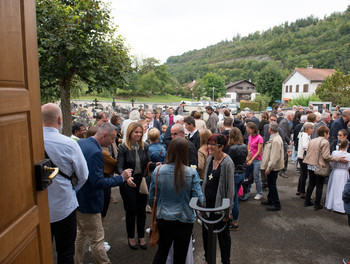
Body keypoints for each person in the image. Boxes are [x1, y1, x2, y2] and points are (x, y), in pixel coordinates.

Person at [75, 123, 133, 264]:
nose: (113, 142)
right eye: (112, 138)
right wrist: (121, 178)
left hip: (78, 198)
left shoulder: (81, 143)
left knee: (81, 235)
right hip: (90, 201)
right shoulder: (96, 153)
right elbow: (98, 183)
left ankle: (76, 260)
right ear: (104, 135)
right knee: (97, 240)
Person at [42, 103, 89, 264]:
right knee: (66, 253)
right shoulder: (69, 144)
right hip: (64, 205)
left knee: (41, 252)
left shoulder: (28, 142)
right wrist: (72, 189)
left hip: (37, 208)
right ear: (60, 119)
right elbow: (83, 175)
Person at [149, 138, 203, 264]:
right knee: (180, 255)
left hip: (163, 217)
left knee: (162, 252)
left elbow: (152, 196)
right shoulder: (191, 172)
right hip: (184, 218)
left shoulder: (158, 171)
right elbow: (199, 199)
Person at [117, 122, 160, 250]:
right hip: (127, 181)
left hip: (141, 180)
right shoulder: (123, 148)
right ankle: (131, 237)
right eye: (136, 132)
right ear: (130, 132)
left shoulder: (144, 146)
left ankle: (141, 236)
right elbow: (119, 166)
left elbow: (147, 163)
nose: (138, 134)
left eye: (140, 132)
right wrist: (125, 176)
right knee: (131, 210)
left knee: (141, 210)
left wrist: (155, 165)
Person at [201, 134, 234, 264]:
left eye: (213, 144)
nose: (209, 147)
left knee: (223, 236)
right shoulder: (209, 159)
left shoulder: (227, 163)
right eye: (209, 144)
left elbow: (230, 189)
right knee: (206, 234)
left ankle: (226, 260)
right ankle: (208, 258)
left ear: (221, 147)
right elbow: (205, 181)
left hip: (220, 206)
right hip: (207, 204)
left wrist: (227, 211)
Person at [303, 126, 346, 211]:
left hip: (311, 164)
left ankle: (307, 201)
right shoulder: (325, 142)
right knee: (319, 186)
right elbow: (326, 156)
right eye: (328, 133)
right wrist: (337, 159)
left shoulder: (312, 140)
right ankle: (317, 204)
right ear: (325, 133)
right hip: (319, 165)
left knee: (311, 183)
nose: (329, 135)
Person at [260, 122, 285, 211]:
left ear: (270, 129)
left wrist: (269, 167)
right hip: (272, 166)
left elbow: (275, 156)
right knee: (271, 184)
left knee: (272, 185)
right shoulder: (274, 138)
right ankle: (270, 199)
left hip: (273, 167)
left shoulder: (276, 140)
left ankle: (276, 204)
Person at [227, 127, 248, 229]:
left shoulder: (232, 148)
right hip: (242, 173)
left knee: (234, 199)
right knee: (235, 198)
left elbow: (229, 163)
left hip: (234, 174)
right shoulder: (244, 146)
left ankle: (235, 222)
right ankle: (232, 216)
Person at [325, 139, 350, 213]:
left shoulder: (335, 153)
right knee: (342, 189)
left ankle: (331, 204)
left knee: (334, 188)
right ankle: (341, 207)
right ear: (347, 146)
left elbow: (331, 163)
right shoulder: (348, 155)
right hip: (344, 173)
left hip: (335, 172)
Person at [241, 122, 263, 201]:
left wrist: (252, 159)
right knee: (248, 176)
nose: (247, 131)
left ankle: (259, 193)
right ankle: (248, 191)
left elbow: (259, 151)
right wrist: (248, 156)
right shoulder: (250, 136)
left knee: (256, 177)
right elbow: (249, 146)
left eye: (248, 130)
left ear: (253, 129)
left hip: (256, 160)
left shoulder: (259, 138)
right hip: (250, 159)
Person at [296, 122, 314, 199]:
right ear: (307, 129)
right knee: (304, 175)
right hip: (303, 157)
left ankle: (299, 189)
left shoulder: (303, 134)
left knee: (302, 174)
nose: (313, 130)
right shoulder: (305, 135)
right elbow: (305, 146)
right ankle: (302, 192)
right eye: (312, 128)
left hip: (301, 156)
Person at [278, 111, 294, 178]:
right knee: (284, 157)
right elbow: (284, 134)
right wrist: (289, 140)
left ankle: (282, 170)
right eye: (292, 116)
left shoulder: (286, 122)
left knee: (285, 156)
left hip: (284, 142)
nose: (293, 118)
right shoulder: (284, 122)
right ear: (289, 116)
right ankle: (282, 171)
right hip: (283, 142)